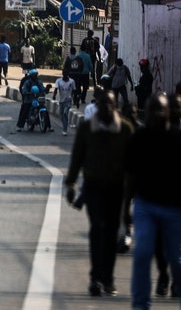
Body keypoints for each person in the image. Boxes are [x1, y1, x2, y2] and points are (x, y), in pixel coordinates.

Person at [125, 92, 181, 309]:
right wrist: (125, 208)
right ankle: (140, 304)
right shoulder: (140, 137)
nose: (158, 114)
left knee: (176, 257)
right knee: (142, 252)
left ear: (168, 113)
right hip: (145, 205)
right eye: (154, 109)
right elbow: (131, 175)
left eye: (162, 110)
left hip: (174, 208)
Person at [65, 88, 134, 297]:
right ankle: (95, 277)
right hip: (93, 187)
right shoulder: (87, 129)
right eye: (102, 105)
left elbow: (133, 165)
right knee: (97, 229)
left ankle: (108, 278)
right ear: (97, 106)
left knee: (112, 235)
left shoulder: (125, 130)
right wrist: (71, 185)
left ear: (116, 107)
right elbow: (77, 158)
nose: (105, 108)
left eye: (110, 105)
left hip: (116, 190)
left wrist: (132, 196)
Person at [53, 69, 77, 136]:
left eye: (66, 75)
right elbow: (56, 89)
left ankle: (64, 130)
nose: (65, 76)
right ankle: (65, 124)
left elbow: (74, 91)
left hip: (68, 100)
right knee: (62, 114)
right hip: (61, 101)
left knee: (65, 113)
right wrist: (54, 95)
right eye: (64, 75)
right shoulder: (59, 81)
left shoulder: (72, 81)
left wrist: (76, 100)